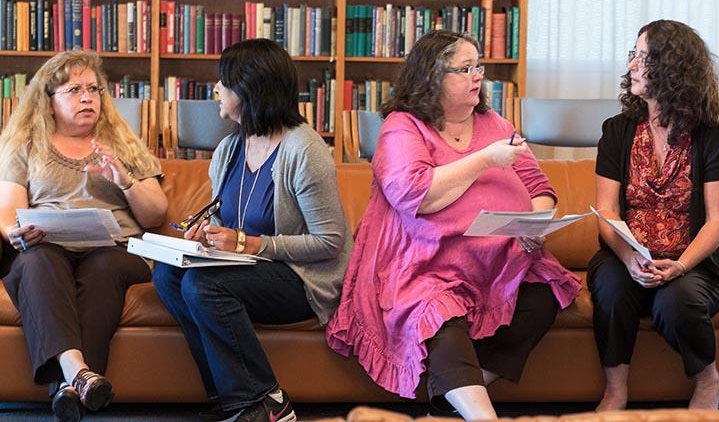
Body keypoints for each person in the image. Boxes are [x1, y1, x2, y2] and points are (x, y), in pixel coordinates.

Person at [325, 30, 582, 421]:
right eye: (465, 68)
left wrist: (535, 224)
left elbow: (539, 187)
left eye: (479, 66)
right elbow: (415, 195)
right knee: (438, 312)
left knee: (543, 295)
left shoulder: (496, 123)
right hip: (423, 263)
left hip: (498, 261)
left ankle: (445, 409)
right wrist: (485, 160)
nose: (478, 76)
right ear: (433, 75)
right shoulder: (403, 126)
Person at [152, 39, 353, 422]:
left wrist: (248, 243)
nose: (215, 91)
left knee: (204, 285)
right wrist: (207, 233)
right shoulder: (229, 149)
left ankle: (267, 402)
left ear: (249, 90)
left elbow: (329, 242)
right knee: (168, 274)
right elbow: (227, 223)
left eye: (223, 82)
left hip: (303, 277)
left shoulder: (304, 149)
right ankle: (233, 400)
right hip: (250, 269)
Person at [0, 50, 167, 422]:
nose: (88, 97)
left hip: (114, 248)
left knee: (104, 268)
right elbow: (9, 208)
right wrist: (14, 231)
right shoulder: (25, 143)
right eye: (73, 89)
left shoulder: (123, 143)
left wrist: (124, 179)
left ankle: (66, 384)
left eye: (94, 89)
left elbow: (155, 214)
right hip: (47, 242)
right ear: (49, 99)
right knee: (38, 259)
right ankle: (80, 377)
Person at [587, 20, 719, 412]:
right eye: (633, 56)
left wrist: (680, 266)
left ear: (673, 68)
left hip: (697, 259)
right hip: (629, 252)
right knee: (610, 288)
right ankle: (616, 390)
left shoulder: (714, 134)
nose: (632, 66)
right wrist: (628, 257)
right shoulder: (618, 131)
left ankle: (709, 382)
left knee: (674, 303)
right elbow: (607, 211)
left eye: (643, 58)